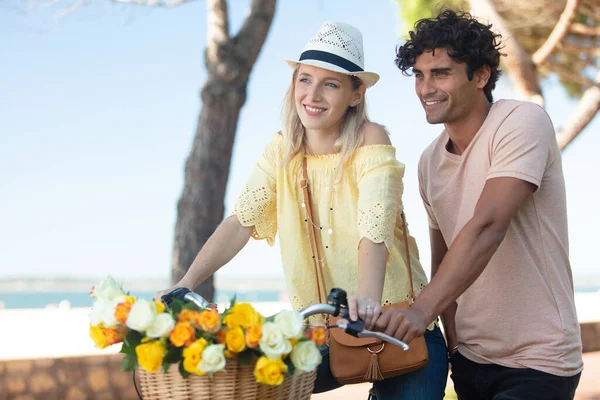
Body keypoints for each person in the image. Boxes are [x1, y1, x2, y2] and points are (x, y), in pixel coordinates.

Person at [156, 21, 448, 399]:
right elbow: (241, 222)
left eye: (330, 84)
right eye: (305, 79)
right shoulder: (281, 151)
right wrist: (186, 282)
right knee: (253, 387)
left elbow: (372, 229)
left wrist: (368, 303)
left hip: (396, 329)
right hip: (323, 335)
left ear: (355, 94)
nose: (313, 94)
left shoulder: (370, 141)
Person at [374, 9, 584, 400]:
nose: (425, 88)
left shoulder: (521, 122)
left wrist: (420, 313)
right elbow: (444, 258)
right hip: (471, 362)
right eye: (418, 75)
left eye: (440, 73)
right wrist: (454, 348)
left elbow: (488, 226)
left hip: (539, 362)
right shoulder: (428, 162)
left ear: (482, 75)